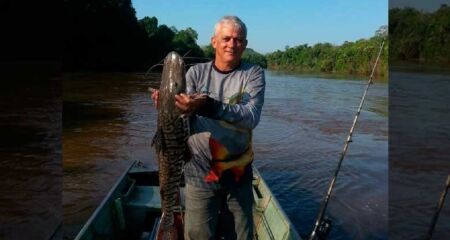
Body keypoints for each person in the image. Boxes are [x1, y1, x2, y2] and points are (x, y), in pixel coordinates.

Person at [151, 15, 265, 240]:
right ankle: (170, 221)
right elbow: (183, 116)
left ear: (245, 44)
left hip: (238, 173)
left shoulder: (253, 73)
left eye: (238, 39)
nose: (232, 44)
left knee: (242, 235)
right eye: (226, 38)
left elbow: (251, 116)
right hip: (199, 173)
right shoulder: (195, 73)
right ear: (214, 42)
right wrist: (169, 106)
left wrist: (207, 105)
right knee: (198, 235)